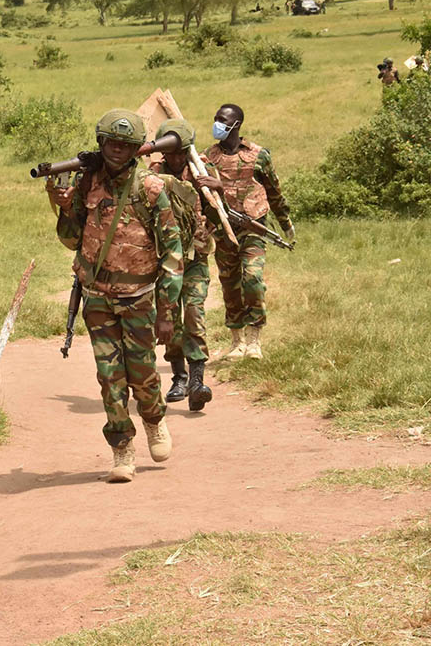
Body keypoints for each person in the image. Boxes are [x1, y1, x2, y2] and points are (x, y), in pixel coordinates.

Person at [46, 109, 182, 483]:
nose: (117, 150)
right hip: (97, 296)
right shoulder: (87, 183)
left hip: (139, 296)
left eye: (125, 145)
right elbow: (71, 239)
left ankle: (153, 419)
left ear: (136, 148)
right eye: (110, 143)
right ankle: (122, 448)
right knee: (109, 376)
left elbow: (173, 254)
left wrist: (166, 312)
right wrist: (62, 204)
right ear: (100, 142)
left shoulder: (151, 189)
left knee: (141, 372)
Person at [202, 103, 293, 360]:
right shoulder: (207, 157)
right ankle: (236, 341)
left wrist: (285, 223)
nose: (217, 123)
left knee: (252, 278)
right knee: (230, 283)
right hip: (224, 228)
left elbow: (274, 191)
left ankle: (254, 340)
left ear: (236, 124)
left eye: (222, 119)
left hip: (253, 225)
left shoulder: (258, 154)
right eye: (216, 118)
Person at [148, 119, 224, 412]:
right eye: (171, 153)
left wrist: (219, 190)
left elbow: (220, 215)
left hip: (195, 258)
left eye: (181, 152)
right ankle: (178, 377)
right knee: (171, 321)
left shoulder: (202, 171)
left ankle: (196, 381)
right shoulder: (153, 175)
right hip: (165, 260)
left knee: (194, 312)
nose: (176, 158)